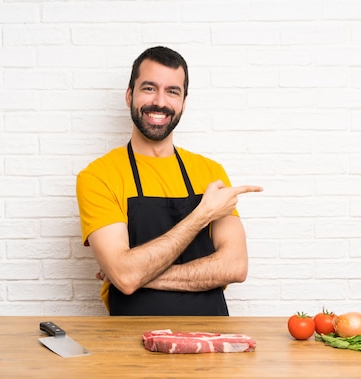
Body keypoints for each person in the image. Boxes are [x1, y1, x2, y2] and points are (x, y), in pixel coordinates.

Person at [76, 46, 262, 316]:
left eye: (172, 91)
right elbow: (126, 277)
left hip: (211, 340)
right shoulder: (98, 177)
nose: (160, 102)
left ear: (184, 103)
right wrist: (203, 214)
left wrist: (139, 274)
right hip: (130, 342)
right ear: (130, 96)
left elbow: (235, 267)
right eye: (149, 88)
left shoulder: (210, 172)